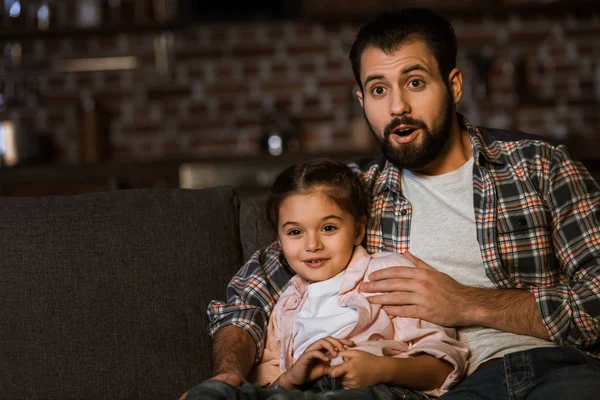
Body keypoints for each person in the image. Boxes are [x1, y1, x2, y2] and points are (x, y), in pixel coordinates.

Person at [184, 7, 600, 400]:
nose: (397, 107)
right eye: (378, 89)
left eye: (415, 82)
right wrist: (228, 375)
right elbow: (248, 297)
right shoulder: (351, 195)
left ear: (453, 85)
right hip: (454, 388)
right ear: (361, 100)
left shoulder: (539, 167)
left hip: (560, 366)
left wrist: (465, 302)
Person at [186, 160, 468, 399]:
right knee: (221, 394)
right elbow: (272, 386)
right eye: (295, 233)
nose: (312, 245)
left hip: (380, 389)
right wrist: (294, 376)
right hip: (303, 392)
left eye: (329, 228)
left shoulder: (387, 273)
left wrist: (382, 368)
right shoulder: (286, 304)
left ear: (358, 231)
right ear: (280, 240)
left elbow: (443, 365)